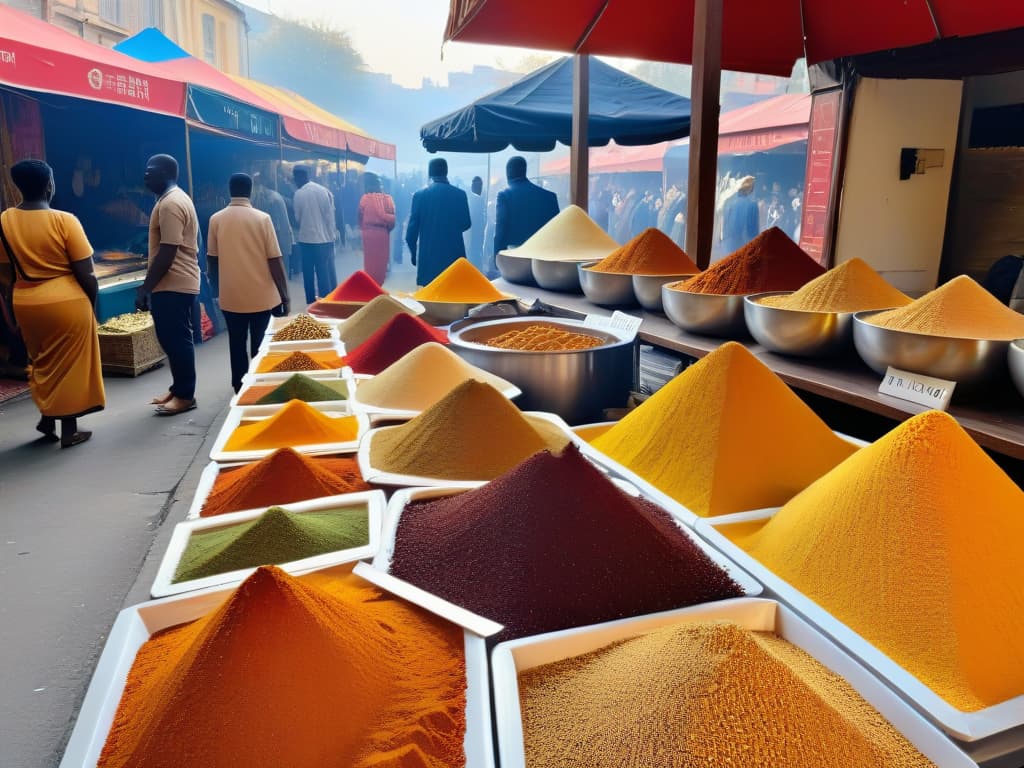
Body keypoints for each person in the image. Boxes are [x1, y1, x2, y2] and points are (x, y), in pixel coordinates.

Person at [0, 159, 104, 447]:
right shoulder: (64, 220)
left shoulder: (5, 220)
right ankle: (69, 430)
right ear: (50, 185)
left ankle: (48, 419)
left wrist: (12, 307)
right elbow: (87, 272)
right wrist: (92, 304)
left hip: (25, 301)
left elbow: (5, 274)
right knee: (70, 365)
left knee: (42, 360)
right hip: (66, 301)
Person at [207, 173, 290, 393]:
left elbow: (212, 259)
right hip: (261, 296)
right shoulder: (263, 218)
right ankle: (259, 385)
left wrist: (216, 290)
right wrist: (284, 295)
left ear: (230, 190)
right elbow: (274, 259)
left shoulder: (216, 219)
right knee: (260, 343)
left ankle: (239, 386)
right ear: (251, 190)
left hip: (231, 295)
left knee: (236, 342)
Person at [137, 154, 200, 417]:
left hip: (174, 281)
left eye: (151, 171)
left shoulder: (171, 203)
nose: (146, 176)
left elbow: (168, 249)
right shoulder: (169, 199)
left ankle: (186, 396)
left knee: (176, 340)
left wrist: (145, 287)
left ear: (166, 172)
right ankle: (178, 388)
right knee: (171, 338)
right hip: (173, 281)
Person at [405, 158, 471, 286]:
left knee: (431, 298)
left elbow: (411, 233)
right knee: (453, 295)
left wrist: (414, 253)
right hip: (454, 258)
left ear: (430, 174)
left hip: (429, 259)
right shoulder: (460, 194)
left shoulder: (420, 195)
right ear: (446, 172)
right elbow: (466, 223)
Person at [493, 156, 559, 257]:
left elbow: (500, 230)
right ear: (524, 171)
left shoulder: (504, 195)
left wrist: (497, 256)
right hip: (544, 257)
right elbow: (556, 231)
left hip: (516, 257)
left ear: (508, 172)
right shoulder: (550, 197)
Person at [292, 166, 337, 304]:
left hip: (305, 240)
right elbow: (329, 217)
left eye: (295, 179)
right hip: (323, 240)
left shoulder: (298, 194)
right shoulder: (323, 191)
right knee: (323, 272)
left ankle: (311, 302)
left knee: (308, 274)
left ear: (300, 178)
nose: (295, 182)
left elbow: (297, 218)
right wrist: (332, 237)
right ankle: (325, 302)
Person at [251, 171, 294, 275]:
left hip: (276, 238)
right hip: (271, 239)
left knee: (279, 272)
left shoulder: (273, 198)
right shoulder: (262, 197)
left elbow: (282, 224)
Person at [357, 172, 396, 285]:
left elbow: (359, 216)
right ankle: (379, 285)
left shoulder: (364, 198)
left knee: (369, 263)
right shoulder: (388, 199)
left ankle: (371, 286)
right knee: (381, 262)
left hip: (368, 234)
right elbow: (393, 220)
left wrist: (363, 228)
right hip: (383, 233)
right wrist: (386, 229)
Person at [721, 175, 760, 254]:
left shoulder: (729, 202)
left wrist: (723, 238)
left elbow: (724, 224)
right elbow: (753, 230)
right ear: (751, 189)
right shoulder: (753, 205)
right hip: (745, 244)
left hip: (729, 243)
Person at [465, 176, 486, 272]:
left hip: (472, 233)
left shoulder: (471, 198)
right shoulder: (478, 199)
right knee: (475, 256)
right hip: (475, 233)